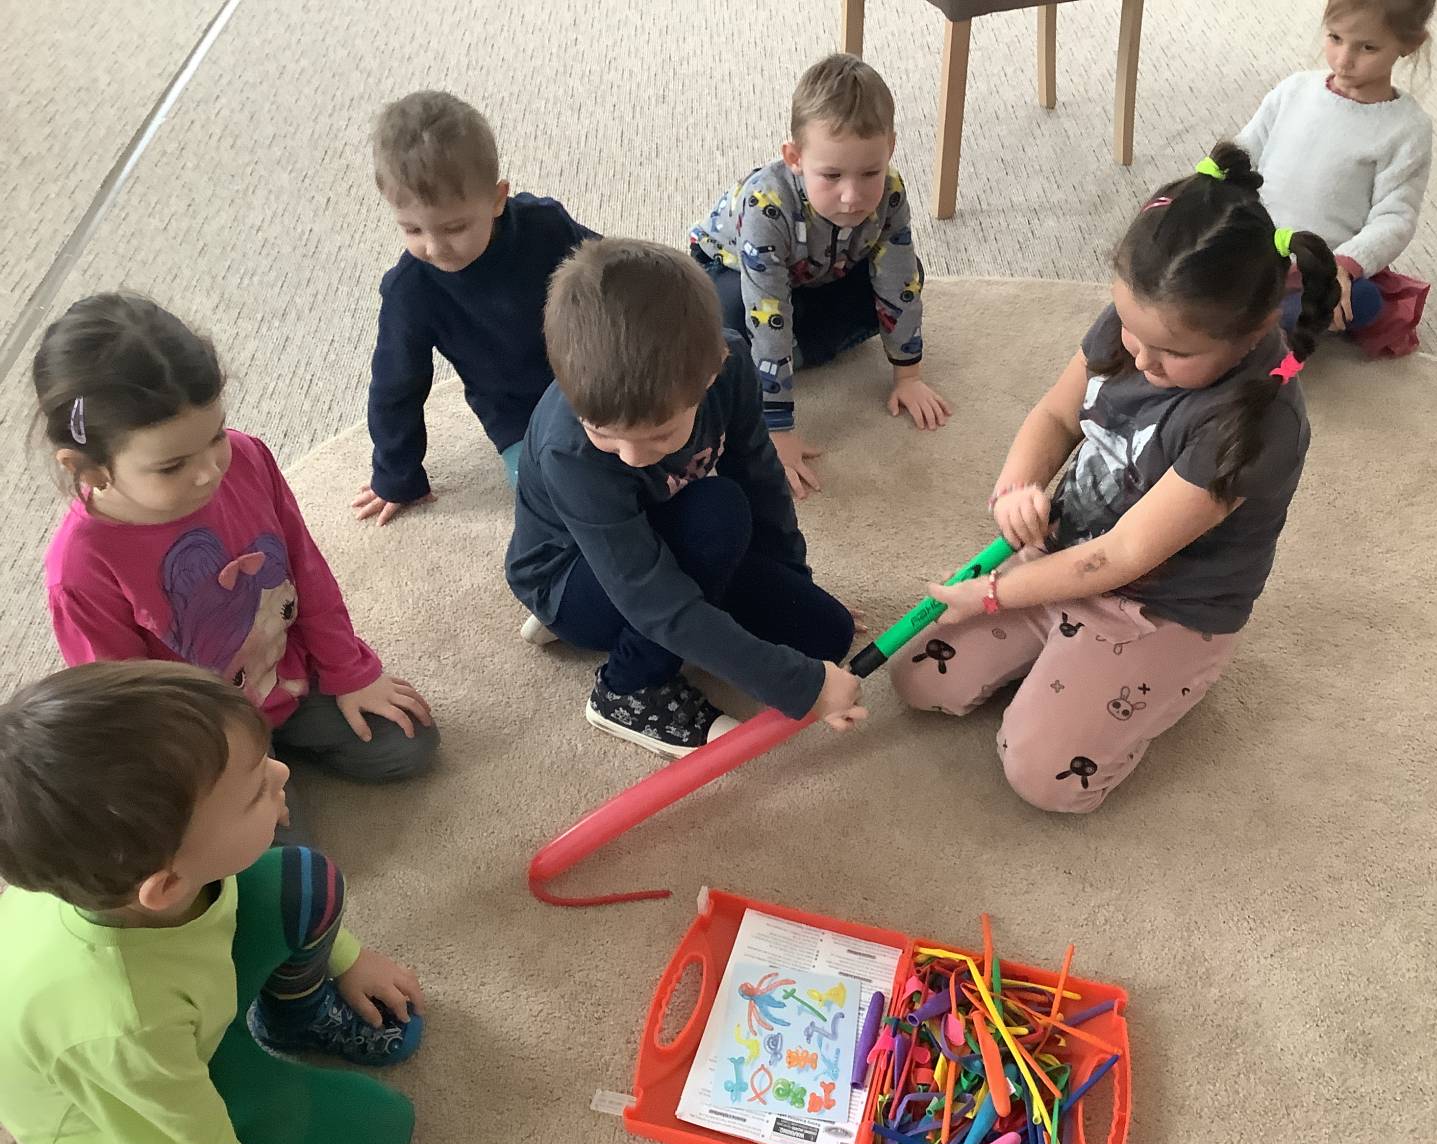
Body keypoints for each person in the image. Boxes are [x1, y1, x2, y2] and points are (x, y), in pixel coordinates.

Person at [891, 144, 1338, 812]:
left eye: (1175, 353)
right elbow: (1055, 414)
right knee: (916, 678)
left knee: (1044, 779)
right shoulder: (1136, 326)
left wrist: (992, 595)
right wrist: (1016, 487)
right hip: (1068, 553)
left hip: (1159, 607)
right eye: (1130, 328)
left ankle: (1182, 670)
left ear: (1254, 330)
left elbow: (1122, 556)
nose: (1143, 359)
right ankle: (1064, 667)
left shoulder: (1256, 424)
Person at [0, 661, 424, 1144]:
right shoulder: (121, 1024)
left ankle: (296, 1016)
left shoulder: (142, 882)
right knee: (376, 1133)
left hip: (180, 1012)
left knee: (300, 882)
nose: (282, 773)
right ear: (167, 885)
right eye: (254, 790)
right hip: (138, 1113)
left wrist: (349, 957)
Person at [35, 293, 437, 835]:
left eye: (215, 435)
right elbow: (132, 711)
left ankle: (287, 745)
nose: (209, 471)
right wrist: (227, 776)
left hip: (289, 678)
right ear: (89, 469)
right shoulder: (81, 568)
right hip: (205, 737)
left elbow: (307, 572)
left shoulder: (246, 458)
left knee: (410, 742)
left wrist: (349, 672)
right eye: (172, 465)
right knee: (276, 859)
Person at [505, 238, 867, 757]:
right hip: (568, 576)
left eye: (658, 435)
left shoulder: (730, 366)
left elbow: (762, 484)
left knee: (825, 635)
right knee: (718, 513)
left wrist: (793, 580)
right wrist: (799, 686)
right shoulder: (570, 452)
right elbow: (654, 601)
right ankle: (628, 689)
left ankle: (682, 609)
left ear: (713, 370)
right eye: (603, 432)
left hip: (654, 535)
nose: (632, 457)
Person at [690, 53, 949, 500]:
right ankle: (791, 349)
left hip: (820, 273)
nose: (852, 196)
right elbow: (767, 309)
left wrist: (908, 375)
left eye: (870, 173)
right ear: (794, 158)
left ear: (890, 148)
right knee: (727, 324)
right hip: (734, 270)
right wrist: (777, 427)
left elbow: (898, 281)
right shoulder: (765, 205)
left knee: (907, 280)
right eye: (831, 176)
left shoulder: (890, 191)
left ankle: (795, 347)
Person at [353, 90, 598, 525]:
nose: (434, 247)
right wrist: (396, 475)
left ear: (497, 199)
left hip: (595, 374)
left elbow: (610, 274)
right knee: (553, 497)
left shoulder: (545, 225)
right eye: (412, 229)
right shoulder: (410, 291)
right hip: (519, 416)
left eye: (454, 227)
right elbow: (395, 387)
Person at [1235, 0, 1436, 357]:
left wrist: (1344, 265)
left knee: (1363, 301)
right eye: (1335, 38)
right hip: (1249, 246)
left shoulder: (1407, 129)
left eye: (1368, 47)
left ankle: (1253, 327)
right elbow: (1244, 150)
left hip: (1318, 269)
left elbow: (1395, 217)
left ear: (1410, 43)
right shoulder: (1294, 90)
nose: (1344, 59)